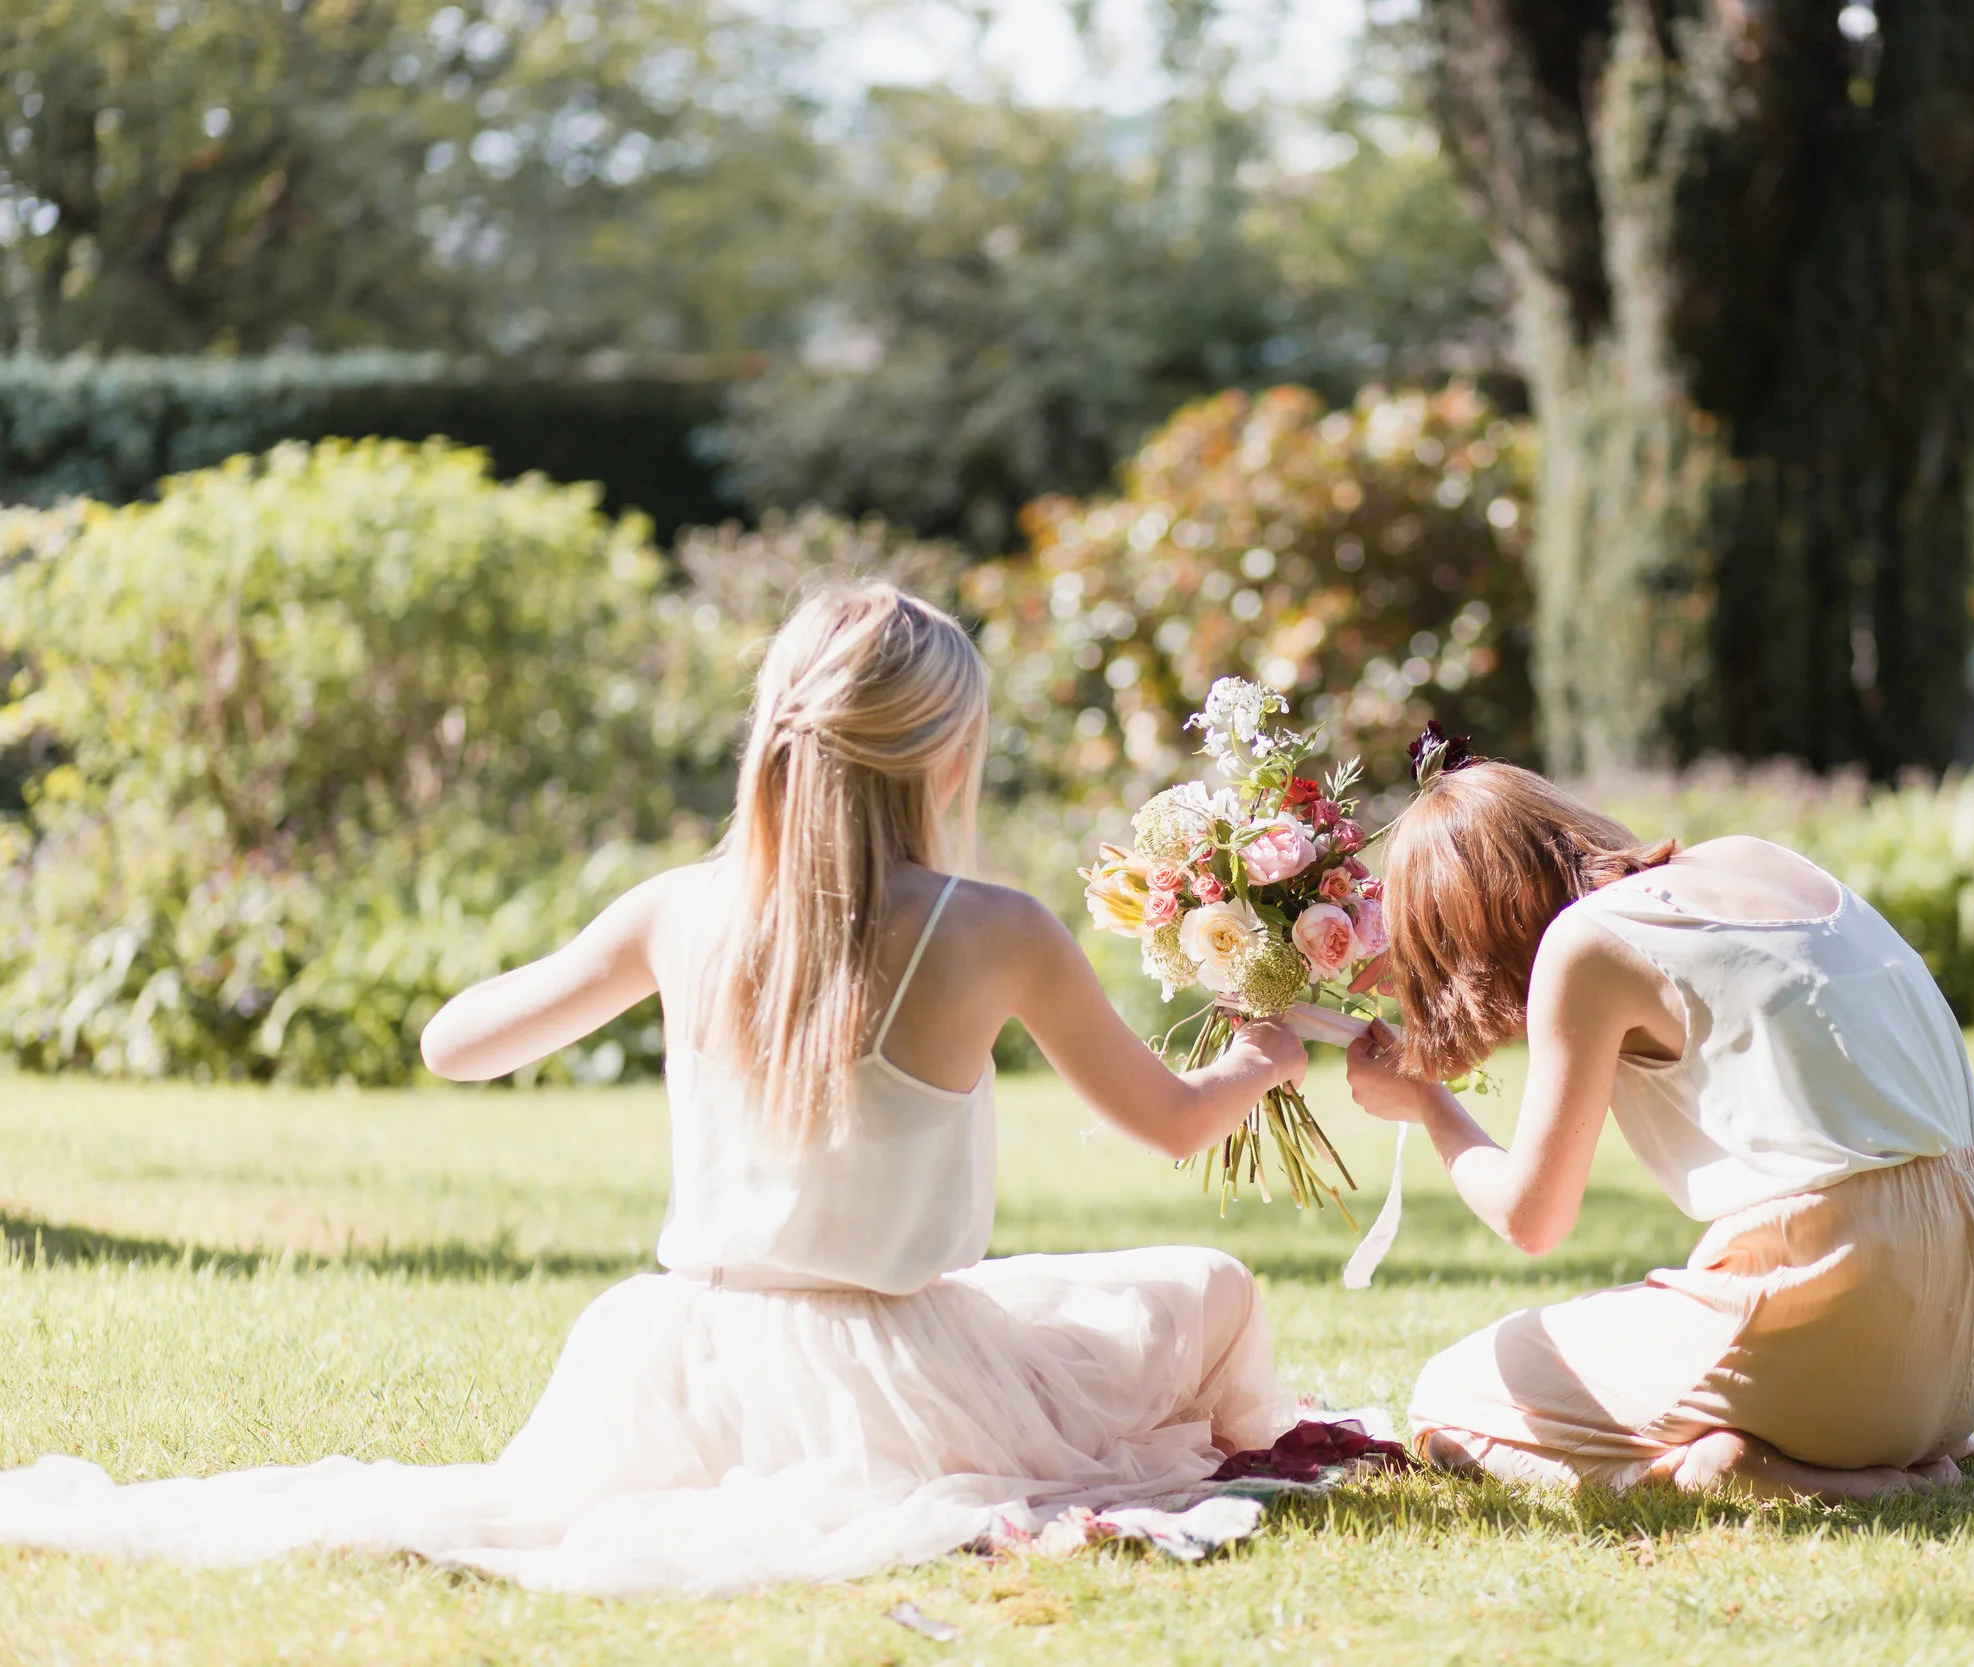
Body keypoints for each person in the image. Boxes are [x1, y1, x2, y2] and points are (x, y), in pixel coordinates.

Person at [0, 583, 1305, 1594]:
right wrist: (1265, 1050)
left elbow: (456, 1044)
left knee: (1070, 1295)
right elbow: (1173, 1120)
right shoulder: (995, 926)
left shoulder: (681, 910)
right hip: (905, 1363)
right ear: (946, 756)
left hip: (681, 1353)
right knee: (1204, 1285)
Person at [1344, 750, 1974, 1503]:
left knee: (1449, 1400)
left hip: (1841, 1294)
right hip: (1973, 1308)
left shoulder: (1586, 941)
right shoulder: (1754, 858)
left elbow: (1530, 1218)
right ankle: (1878, 1438)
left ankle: (1747, 1471)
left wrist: (1430, 1105)